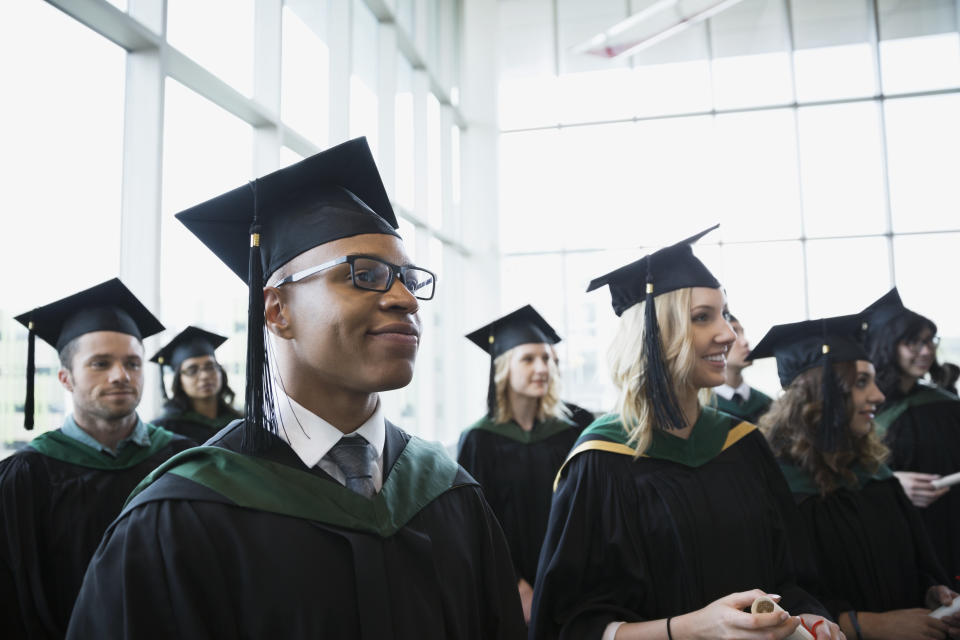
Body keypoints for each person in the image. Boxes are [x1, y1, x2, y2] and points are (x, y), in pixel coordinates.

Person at [67, 138, 525, 639]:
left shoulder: (448, 492)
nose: (405, 300)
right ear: (277, 311)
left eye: (409, 281)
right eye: (365, 275)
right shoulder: (181, 517)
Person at [530, 225, 841, 640]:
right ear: (654, 335)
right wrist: (692, 629)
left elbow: (792, 578)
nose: (728, 333)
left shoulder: (743, 444)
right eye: (702, 317)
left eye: (725, 314)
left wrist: (809, 617)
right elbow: (569, 626)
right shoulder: (600, 462)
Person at [0, 278, 193, 639]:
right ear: (65, 378)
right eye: (100, 363)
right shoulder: (25, 477)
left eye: (133, 363)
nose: (121, 376)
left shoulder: (183, 460)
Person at [753, 315, 960, 640]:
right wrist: (872, 625)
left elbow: (918, 559)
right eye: (862, 382)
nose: (879, 395)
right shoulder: (780, 489)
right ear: (821, 395)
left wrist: (932, 590)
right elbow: (784, 596)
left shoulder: (875, 473)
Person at [458, 304, 582, 623]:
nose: (542, 368)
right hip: (512, 588)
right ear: (503, 368)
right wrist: (515, 584)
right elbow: (477, 522)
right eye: (528, 359)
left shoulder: (570, 432)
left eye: (547, 359)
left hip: (573, 578)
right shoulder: (479, 439)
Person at [862, 288, 960, 580]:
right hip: (898, 533)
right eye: (913, 342)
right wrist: (889, 485)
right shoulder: (863, 408)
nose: (927, 351)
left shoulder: (945, 403)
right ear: (888, 345)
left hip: (951, 523)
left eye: (930, 341)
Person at [150, 326, 242, 444]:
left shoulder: (239, 422)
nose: (204, 375)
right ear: (179, 381)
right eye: (192, 370)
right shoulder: (164, 430)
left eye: (210, 367)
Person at [713, 312, 773, 423]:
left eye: (742, 333)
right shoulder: (704, 407)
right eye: (734, 332)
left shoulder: (767, 403)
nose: (745, 341)